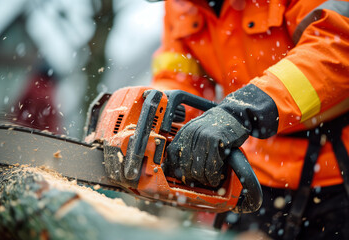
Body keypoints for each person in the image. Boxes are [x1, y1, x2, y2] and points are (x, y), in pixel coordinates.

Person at [148, 0, 349, 239]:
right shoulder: (181, 5)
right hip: (256, 169)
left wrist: (248, 108)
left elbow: (335, 46)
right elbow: (180, 75)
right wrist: (153, 118)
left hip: (336, 165)